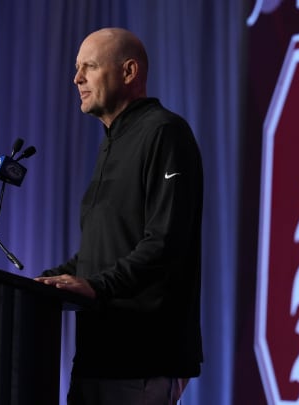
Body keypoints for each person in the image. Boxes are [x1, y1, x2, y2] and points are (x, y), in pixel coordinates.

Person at [35, 27, 203, 405]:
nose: (76, 78)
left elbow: (165, 242)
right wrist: (47, 283)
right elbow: (104, 250)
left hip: (142, 357)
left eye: (89, 67)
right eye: (77, 68)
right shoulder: (112, 142)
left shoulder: (165, 133)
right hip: (97, 354)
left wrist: (98, 286)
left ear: (128, 72)